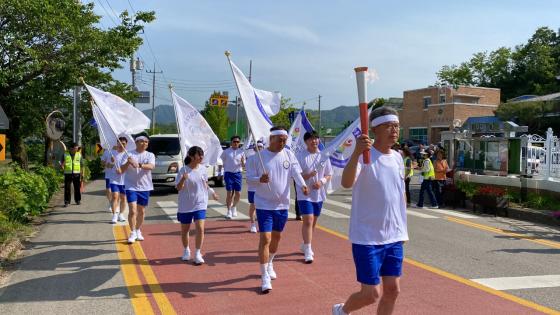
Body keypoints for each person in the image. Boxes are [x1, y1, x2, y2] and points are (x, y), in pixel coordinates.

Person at [333, 107, 408, 315]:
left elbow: (399, 195)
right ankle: (341, 310)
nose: (394, 130)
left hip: (393, 236)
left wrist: (402, 230)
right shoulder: (365, 156)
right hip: (367, 237)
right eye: (388, 126)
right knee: (371, 294)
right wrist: (356, 152)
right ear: (374, 129)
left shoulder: (398, 158)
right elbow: (346, 183)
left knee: (393, 290)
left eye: (397, 126)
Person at [246, 126, 309, 293]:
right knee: (265, 239)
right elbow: (249, 181)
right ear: (271, 139)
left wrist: (303, 185)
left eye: (284, 140)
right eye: (280, 140)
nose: (282, 143)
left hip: (282, 204)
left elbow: (296, 173)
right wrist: (259, 179)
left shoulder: (288, 154)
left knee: (276, 238)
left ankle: (270, 261)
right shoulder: (257, 158)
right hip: (264, 204)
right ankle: (264, 275)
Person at [176, 146, 219, 265]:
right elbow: (178, 188)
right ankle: (186, 250)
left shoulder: (203, 169)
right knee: (185, 230)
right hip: (185, 204)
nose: (201, 157)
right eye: (198, 155)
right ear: (191, 156)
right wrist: (183, 179)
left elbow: (205, 184)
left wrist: (212, 193)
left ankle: (198, 253)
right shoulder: (183, 170)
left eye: (201, 155)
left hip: (200, 203)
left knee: (200, 228)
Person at [296, 131, 333, 263]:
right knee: (308, 220)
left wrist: (321, 182)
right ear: (306, 142)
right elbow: (296, 176)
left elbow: (329, 174)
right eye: (311, 139)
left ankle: (305, 243)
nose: (314, 141)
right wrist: (309, 176)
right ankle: (308, 250)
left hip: (318, 194)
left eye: (316, 138)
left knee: (313, 222)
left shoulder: (323, 156)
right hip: (304, 193)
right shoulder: (300, 156)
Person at [120, 135, 156, 244]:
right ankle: (132, 232)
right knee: (133, 210)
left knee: (141, 211)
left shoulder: (150, 155)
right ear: (136, 142)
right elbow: (121, 170)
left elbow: (151, 166)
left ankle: (138, 229)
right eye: (142, 141)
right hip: (131, 186)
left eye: (146, 142)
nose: (144, 143)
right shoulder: (128, 154)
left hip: (145, 186)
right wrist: (128, 162)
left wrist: (139, 165)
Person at [220, 135, 245, 219]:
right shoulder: (226, 152)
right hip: (229, 174)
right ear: (231, 142)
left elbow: (244, 165)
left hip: (238, 174)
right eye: (234, 141)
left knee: (238, 193)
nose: (236, 143)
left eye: (237, 142)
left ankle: (234, 206)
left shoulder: (241, 152)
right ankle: (229, 210)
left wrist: (242, 162)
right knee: (229, 193)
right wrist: (221, 172)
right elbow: (222, 161)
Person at [107, 137, 128, 224]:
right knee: (115, 196)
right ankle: (115, 215)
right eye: (120, 143)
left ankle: (121, 214)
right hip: (114, 179)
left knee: (123, 198)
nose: (121, 145)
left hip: (125, 180)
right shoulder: (112, 153)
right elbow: (107, 165)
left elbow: (129, 167)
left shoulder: (128, 154)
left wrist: (122, 170)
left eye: (123, 143)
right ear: (117, 143)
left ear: (126, 144)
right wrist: (112, 163)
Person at [245, 141, 264, 233]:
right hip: (253, 188)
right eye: (257, 147)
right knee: (253, 205)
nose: (259, 148)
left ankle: (261, 224)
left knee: (263, 207)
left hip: (264, 187)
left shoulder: (266, 159)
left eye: (261, 147)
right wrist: (260, 178)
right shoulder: (250, 159)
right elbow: (249, 177)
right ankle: (253, 224)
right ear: (254, 148)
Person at [61, 142, 84, 207]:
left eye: (77, 148)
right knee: (67, 188)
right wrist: (62, 166)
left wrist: (82, 174)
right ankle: (67, 201)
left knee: (77, 187)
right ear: (71, 148)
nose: (76, 150)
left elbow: (82, 165)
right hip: (68, 174)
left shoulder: (79, 154)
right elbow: (62, 163)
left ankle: (78, 200)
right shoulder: (65, 154)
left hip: (76, 174)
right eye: (75, 148)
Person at [101, 146, 115, 212]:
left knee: (116, 192)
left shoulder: (121, 152)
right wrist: (107, 164)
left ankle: (115, 204)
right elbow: (102, 162)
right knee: (108, 191)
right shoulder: (107, 152)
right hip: (109, 175)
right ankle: (110, 202)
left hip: (118, 176)